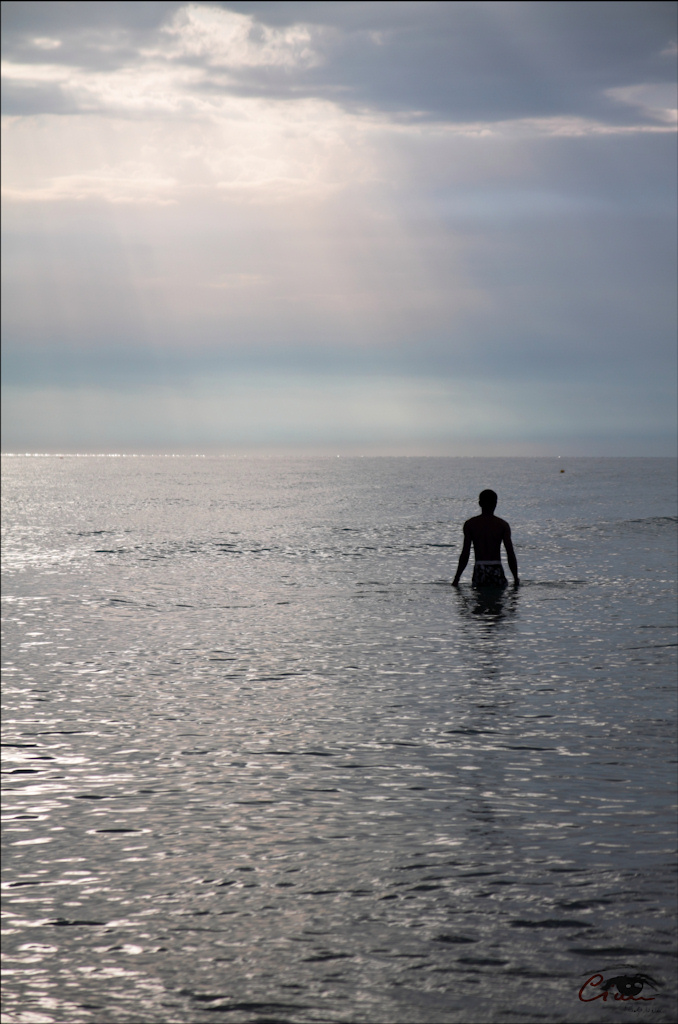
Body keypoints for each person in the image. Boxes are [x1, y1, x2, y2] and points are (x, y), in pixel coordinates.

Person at [452, 489, 519, 588]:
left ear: (479, 503)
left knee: (480, 600)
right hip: (496, 568)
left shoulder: (470, 524)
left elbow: (465, 554)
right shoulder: (502, 525)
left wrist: (456, 578)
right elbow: (510, 553)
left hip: (480, 568)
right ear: (496, 504)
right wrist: (516, 578)